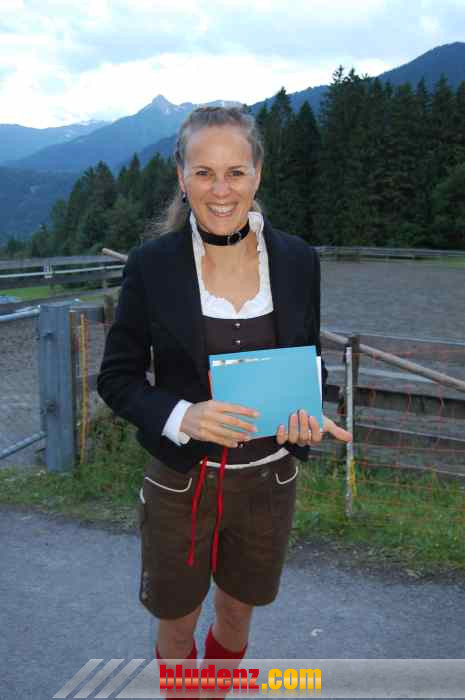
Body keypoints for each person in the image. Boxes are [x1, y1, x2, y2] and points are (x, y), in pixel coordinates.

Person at [97, 106, 352, 675]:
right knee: (177, 622)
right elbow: (115, 378)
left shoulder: (297, 260)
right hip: (179, 482)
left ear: (257, 174)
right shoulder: (152, 265)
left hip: (269, 481)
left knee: (237, 615)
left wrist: (310, 411)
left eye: (235, 172)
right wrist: (181, 415)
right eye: (204, 172)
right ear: (182, 177)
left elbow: (307, 360)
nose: (220, 190)